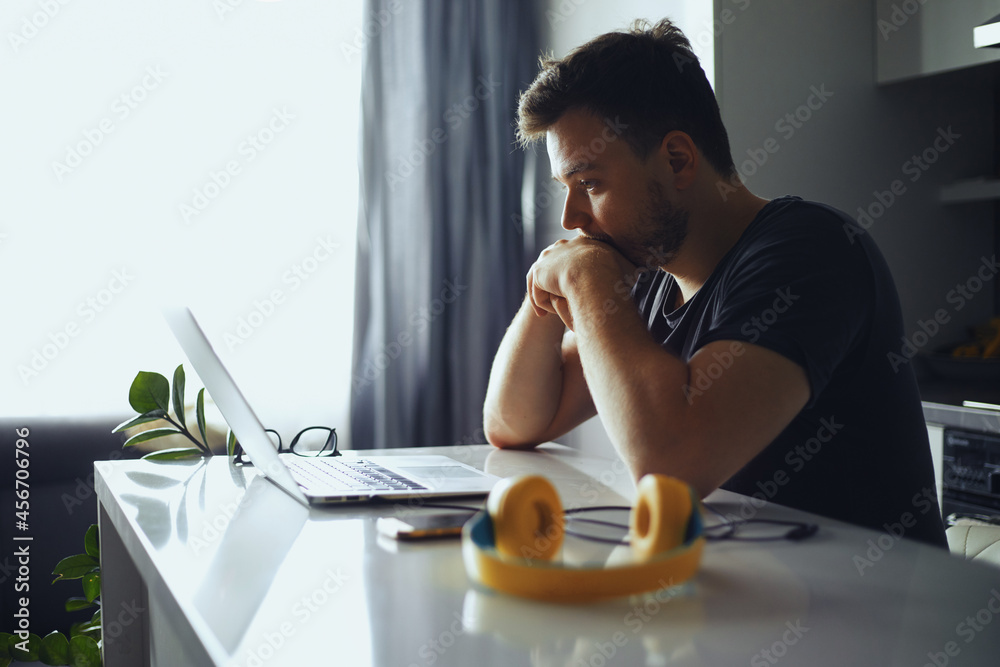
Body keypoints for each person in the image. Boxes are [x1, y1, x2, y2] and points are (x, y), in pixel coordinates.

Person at [482, 18, 946, 546]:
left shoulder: (812, 250)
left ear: (677, 160)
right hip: (748, 604)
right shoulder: (653, 280)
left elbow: (671, 464)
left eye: (589, 184)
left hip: (871, 617)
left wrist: (584, 279)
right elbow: (513, 422)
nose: (571, 217)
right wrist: (545, 287)